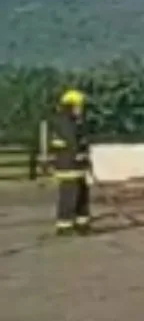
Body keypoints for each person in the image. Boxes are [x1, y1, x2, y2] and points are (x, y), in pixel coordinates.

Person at [48, 88, 91, 236]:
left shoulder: (74, 121)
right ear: (71, 106)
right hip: (68, 164)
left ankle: (82, 223)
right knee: (69, 195)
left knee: (82, 193)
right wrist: (79, 153)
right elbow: (72, 140)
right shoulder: (65, 122)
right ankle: (64, 225)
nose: (81, 109)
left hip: (76, 165)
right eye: (79, 106)